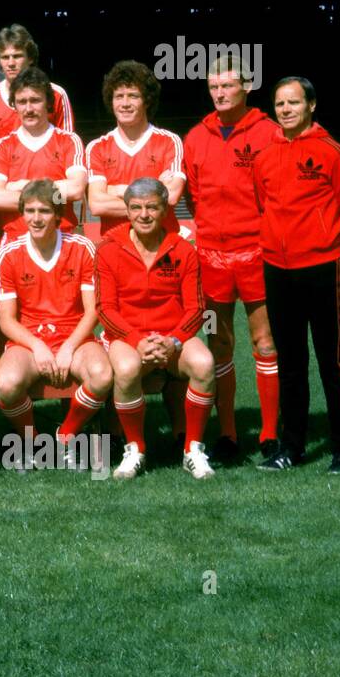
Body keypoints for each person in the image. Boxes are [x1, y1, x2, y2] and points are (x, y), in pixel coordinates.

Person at [252, 77, 340, 473]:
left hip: (321, 269)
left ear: (311, 105)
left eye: (293, 102)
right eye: (279, 104)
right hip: (277, 271)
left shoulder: (334, 152)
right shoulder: (264, 157)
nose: (285, 110)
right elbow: (263, 206)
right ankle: (292, 447)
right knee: (291, 363)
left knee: (331, 362)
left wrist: (332, 254)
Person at [183, 56, 283, 464]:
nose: (220, 94)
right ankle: (226, 434)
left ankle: (270, 434)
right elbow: (193, 195)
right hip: (211, 257)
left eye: (227, 86)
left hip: (257, 254)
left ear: (247, 87)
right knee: (220, 344)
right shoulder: (195, 136)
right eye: (214, 88)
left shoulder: (269, 132)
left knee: (265, 342)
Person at [95, 179, 216, 481]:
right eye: (136, 208)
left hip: (173, 335)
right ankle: (135, 448)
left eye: (152, 207)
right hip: (127, 335)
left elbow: (196, 309)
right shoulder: (109, 250)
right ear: (127, 211)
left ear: (165, 210)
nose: (144, 214)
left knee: (204, 363)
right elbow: (106, 310)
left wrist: (174, 340)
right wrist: (137, 341)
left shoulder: (183, 250)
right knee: (126, 367)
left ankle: (193, 450)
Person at [0, 180, 112, 471]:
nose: (36, 218)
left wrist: (69, 347)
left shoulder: (82, 247)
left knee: (102, 376)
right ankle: (34, 443)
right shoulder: (9, 253)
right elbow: (6, 319)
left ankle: (65, 438)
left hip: (75, 336)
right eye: (30, 210)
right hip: (30, 340)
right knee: (6, 384)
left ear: (58, 214)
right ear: (21, 213)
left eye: (44, 211)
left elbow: (93, 310)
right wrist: (38, 347)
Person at [0, 66, 87, 259]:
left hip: (62, 239)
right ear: (15, 105)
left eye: (35, 100)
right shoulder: (3, 146)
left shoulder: (69, 141)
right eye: (22, 102)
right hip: (16, 243)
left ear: (48, 103)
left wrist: (22, 187)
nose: (28, 108)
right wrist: (53, 195)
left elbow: (76, 190)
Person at [86, 61, 185, 236]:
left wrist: (116, 190)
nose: (125, 103)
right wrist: (155, 194)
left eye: (133, 96)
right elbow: (97, 204)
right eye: (119, 96)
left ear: (146, 101)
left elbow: (171, 196)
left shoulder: (169, 142)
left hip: (161, 245)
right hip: (115, 249)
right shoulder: (97, 148)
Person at [0, 23, 74, 149]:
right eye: (5, 57)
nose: (11, 63)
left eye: (17, 56)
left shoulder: (56, 94)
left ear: (30, 58)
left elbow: (68, 145)